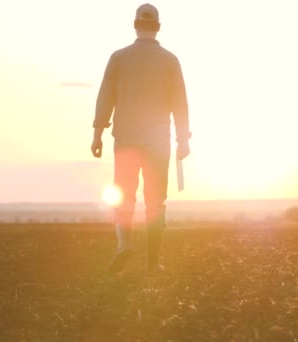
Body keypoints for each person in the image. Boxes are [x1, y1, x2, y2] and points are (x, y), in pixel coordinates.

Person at [91, 3, 191, 274]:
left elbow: (105, 97)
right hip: (158, 141)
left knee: (125, 196)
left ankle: (124, 246)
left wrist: (98, 133)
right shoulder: (170, 60)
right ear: (157, 27)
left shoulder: (118, 58)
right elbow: (179, 102)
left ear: (135, 25)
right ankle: (152, 262)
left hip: (125, 138)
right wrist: (184, 139)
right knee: (155, 200)